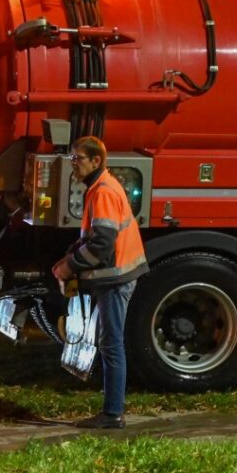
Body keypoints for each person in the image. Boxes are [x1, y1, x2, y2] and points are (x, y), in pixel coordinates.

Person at [51, 136, 147, 429]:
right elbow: (95, 238)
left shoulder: (103, 191)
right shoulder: (101, 187)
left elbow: (103, 244)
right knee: (110, 342)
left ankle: (112, 414)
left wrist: (69, 266)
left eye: (78, 159)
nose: (73, 165)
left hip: (116, 277)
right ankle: (111, 411)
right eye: (71, 160)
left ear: (96, 160)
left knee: (111, 343)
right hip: (115, 274)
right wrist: (70, 257)